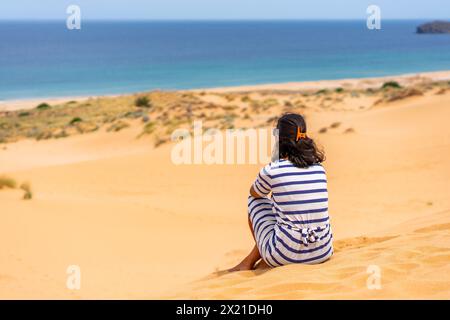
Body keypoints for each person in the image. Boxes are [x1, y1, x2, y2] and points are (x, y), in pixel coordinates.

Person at [230, 113, 333, 271]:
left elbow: (255, 193)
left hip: (285, 254)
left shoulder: (273, 169)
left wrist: (275, 166)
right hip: (323, 250)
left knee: (255, 200)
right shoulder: (319, 168)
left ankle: (250, 261)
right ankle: (252, 259)